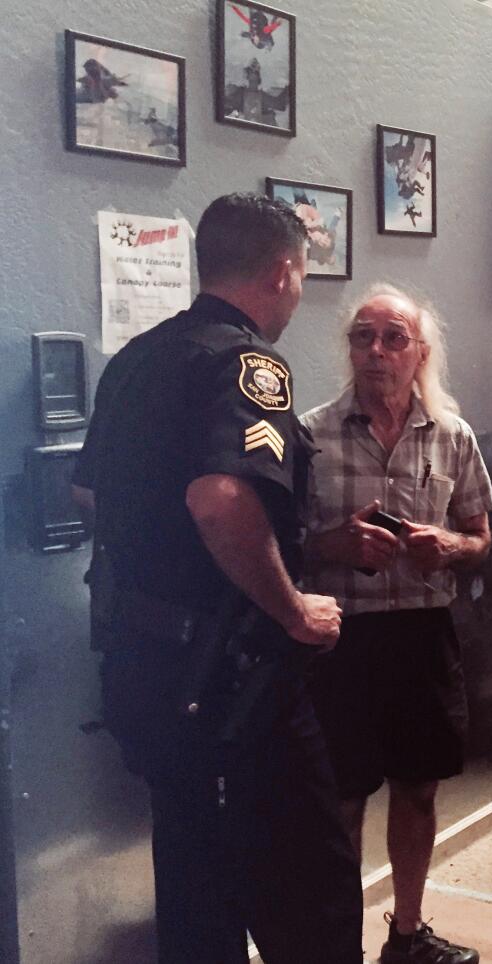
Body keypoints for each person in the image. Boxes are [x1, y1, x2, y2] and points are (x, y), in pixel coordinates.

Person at [72, 193, 364, 962]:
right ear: (281, 272)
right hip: (236, 686)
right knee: (314, 897)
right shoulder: (248, 362)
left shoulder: (137, 359)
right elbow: (221, 497)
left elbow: (87, 492)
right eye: (301, 279)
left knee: (197, 891)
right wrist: (294, 609)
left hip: (146, 669)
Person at [301, 283, 492, 964]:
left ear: (421, 353)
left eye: (393, 338)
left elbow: (480, 537)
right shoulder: (309, 435)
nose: (376, 351)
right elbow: (280, 543)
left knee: (418, 789)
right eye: (363, 336)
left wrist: (450, 547)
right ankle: (336, 948)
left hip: (422, 636)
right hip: (341, 640)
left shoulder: (453, 435)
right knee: (342, 800)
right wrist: (333, 545)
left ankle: (407, 935)